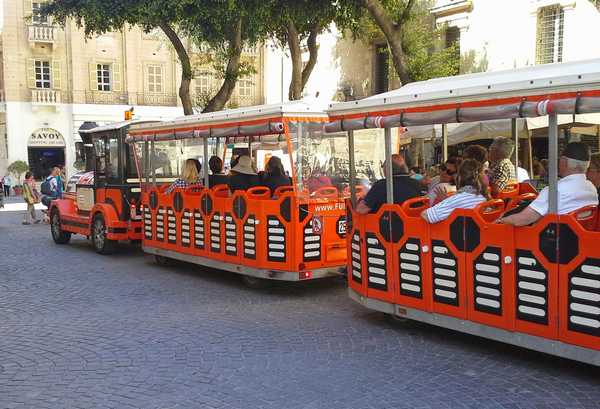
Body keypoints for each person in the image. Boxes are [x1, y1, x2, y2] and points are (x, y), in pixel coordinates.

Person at [499, 142, 598, 226]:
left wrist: (500, 221)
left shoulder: (555, 190)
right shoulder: (591, 188)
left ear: (564, 162)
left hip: (550, 243)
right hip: (577, 238)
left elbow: (523, 219)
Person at [422, 159, 488, 224]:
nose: (444, 172)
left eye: (450, 172)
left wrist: (447, 202)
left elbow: (426, 216)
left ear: (459, 177)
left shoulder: (459, 198)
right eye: (443, 168)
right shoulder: (483, 196)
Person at [356, 153, 422, 214]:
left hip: (387, 224)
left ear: (386, 169)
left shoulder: (382, 185)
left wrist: (363, 198)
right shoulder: (416, 183)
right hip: (413, 224)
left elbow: (361, 210)